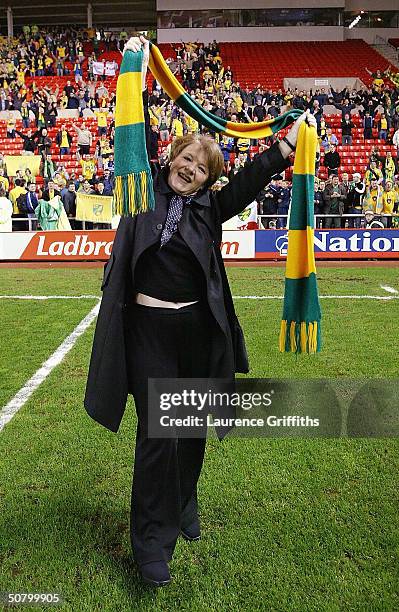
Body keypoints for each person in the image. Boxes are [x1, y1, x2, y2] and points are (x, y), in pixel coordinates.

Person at [84, 35, 317, 588]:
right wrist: (135, 61)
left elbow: (249, 179)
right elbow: (131, 131)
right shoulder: (138, 188)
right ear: (169, 159)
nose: (190, 168)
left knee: (190, 429)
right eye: (186, 158)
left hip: (196, 330)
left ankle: (185, 501)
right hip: (147, 332)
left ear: (209, 178)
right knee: (158, 436)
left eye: (202, 166)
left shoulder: (211, 207)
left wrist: (288, 146)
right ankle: (151, 544)